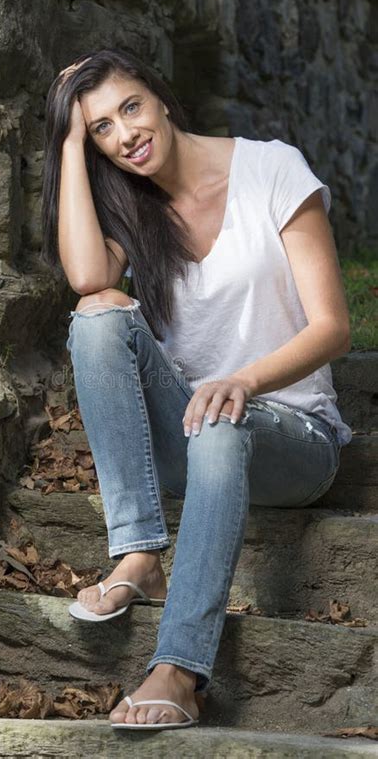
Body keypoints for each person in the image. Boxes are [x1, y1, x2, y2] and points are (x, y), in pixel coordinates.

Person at [41, 48, 352, 731]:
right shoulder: (132, 208)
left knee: (220, 417)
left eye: (130, 108)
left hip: (293, 435)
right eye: (101, 129)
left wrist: (243, 378)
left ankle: (179, 670)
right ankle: (140, 551)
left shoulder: (271, 168)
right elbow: (86, 277)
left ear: (160, 98)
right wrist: (66, 138)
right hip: (193, 435)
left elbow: (333, 327)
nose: (124, 133)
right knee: (97, 315)